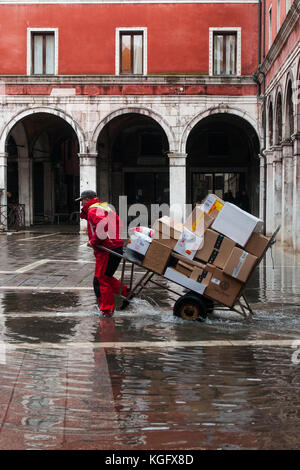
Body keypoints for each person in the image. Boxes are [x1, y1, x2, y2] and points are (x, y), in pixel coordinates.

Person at [76, 190, 130, 317]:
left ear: (88, 199)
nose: (81, 204)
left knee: (99, 281)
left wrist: (93, 241)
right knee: (106, 277)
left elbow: (103, 226)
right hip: (114, 247)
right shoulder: (103, 207)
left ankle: (106, 311)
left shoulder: (93, 210)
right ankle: (127, 294)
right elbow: (118, 223)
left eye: (82, 201)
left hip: (107, 250)